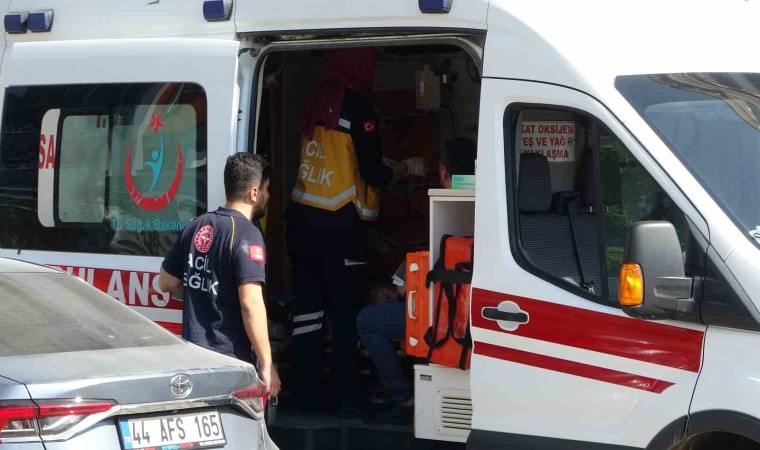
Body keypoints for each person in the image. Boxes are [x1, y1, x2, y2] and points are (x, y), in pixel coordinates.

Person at [286, 47, 423, 414]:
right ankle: (347, 396)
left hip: (301, 221)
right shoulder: (358, 108)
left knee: (308, 314)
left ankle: (305, 394)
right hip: (340, 225)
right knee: (346, 315)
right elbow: (374, 173)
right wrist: (404, 169)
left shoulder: (316, 101)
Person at [357, 137, 477, 423]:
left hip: (445, 316)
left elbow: (413, 279)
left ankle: (403, 397)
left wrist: (398, 285)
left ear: (444, 171)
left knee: (367, 320)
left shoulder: (443, 205)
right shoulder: (495, 203)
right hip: (473, 315)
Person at [159, 153, 281, 397]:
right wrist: (267, 363)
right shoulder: (247, 234)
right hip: (229, 363)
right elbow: (251, 304)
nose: (268, 196)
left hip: (193, 358)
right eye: (266, 189)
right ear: (254, 193)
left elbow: (166, 282)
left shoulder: (197, 225)